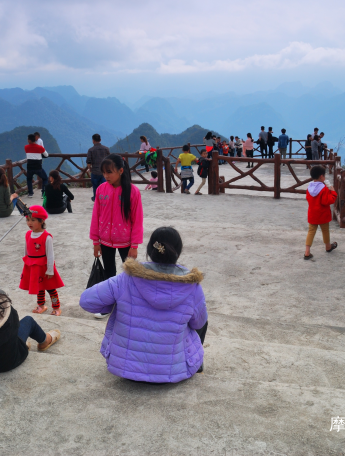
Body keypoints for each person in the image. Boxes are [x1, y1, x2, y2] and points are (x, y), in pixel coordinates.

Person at [79, 227, 208, 383]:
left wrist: (113, 305)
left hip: (125, 368)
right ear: (178, 252)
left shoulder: (125, 279)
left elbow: (86, 301)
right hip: (172, 371)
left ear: (149, 250)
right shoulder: (192, 287)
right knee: (199, 316)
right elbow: (198, 323)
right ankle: (194, 362)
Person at [91, 154, 144, 284]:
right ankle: (112, 299)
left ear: (121, 170)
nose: (106, 176)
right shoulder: (101, 190)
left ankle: (131, 299)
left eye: (109, 172)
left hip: (126, 241)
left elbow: (137, 219)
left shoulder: (133, 191)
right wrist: (95, 242)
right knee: (109, 273)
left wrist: (134, 245)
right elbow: (96, 216)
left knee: (131, 273)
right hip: (105, 240)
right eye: (103, 172)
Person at [20, 206, 65, 316]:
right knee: (38, 288)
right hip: (33, 266)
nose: (29, 222)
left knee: (51, 289)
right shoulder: (27, 234)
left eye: (33, 220)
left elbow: (50, 255)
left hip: (44, 267)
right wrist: (27, 265)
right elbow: (26, 252)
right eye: (27, 219)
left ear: (42, 221)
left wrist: (50, 270)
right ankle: (41, 305)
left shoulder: (47, 237)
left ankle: (56, 307)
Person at [304, 166, 338, 260]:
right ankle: (328, 246)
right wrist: (333, 192)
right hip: (323, 214)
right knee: (325, 230)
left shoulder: (309, 187)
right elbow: (327, 201)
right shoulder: (324, 188)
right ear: (322, 176)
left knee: (311, 232)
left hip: (312, 213)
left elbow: (308, 198)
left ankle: (307, 251)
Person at [86, 133, 110, 202]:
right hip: (104, 171)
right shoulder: (106, 149)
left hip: (95, 171)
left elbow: (89, 161)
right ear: (100, 140)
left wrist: (89, 168)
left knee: (95, 187)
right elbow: (109, 159)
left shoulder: (91, 150)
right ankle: (105, 198)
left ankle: (96, 199)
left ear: (93, 140)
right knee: (105, 186)